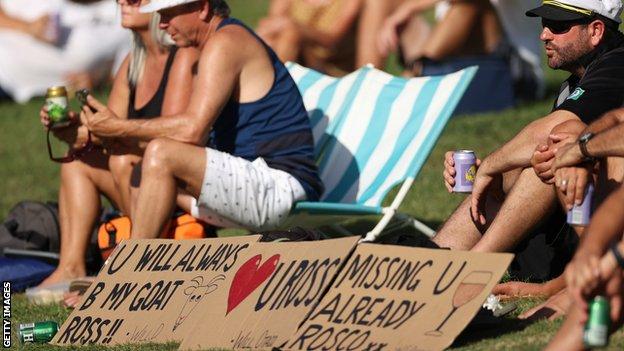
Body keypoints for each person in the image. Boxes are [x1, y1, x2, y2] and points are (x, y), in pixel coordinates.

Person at [78, 0, 323, 239]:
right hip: (255, 184)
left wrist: (119, 128)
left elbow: (192, 130)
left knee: (161, 154)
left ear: (202, 8)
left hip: (280, 189)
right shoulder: (214, 44)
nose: (161, 24)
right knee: (133, 161)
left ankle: (131, 268)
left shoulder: (225, 42)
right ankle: (159, 260)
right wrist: (118, 140)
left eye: (167, 14)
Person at [436, 0, 624, 287]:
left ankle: (472, 267)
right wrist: (493, 176)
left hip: (606, 238)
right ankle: (433, 260)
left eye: (558, 26)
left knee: (555, 148)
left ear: (596, 30)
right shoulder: (573, 83)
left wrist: (490, 166)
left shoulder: (618, 65)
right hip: (573, 225)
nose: (544, 35)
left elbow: (548, 136)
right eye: (544, 23)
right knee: (531, 159)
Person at [38, 0, 199, 287]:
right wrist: (76, 132)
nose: (123, 1)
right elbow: (109, 134)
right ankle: (71, 268)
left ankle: (137, 270)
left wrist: (110, 135)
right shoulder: (132, 64)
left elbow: (172, 142)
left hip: (177, 186)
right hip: (138, 181)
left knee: (124, 160)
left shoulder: (181, 57)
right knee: (78, 160)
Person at [378, 0, 544, 103]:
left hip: (516, 78)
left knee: (471, 2)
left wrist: (409, 7)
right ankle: (367, 89)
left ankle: (409, 79)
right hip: (455, 68)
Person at [0, 0, 131, 102]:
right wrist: (27, 27)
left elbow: (125, 73)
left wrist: (96, 79)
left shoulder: (126, 18)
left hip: (17, 86)